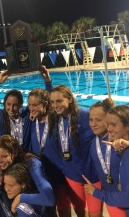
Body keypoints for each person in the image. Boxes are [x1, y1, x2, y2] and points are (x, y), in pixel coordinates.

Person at [44, 84, 102, 217]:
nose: (55, 105)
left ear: (70, 99)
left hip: (92, 175)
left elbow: (107, 125)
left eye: (59, 101)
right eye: (52, 102)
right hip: (71, 176)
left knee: (95, 214)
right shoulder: (55, 120)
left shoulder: (86, 116)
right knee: (80, 213)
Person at [0, 66, 52, 149]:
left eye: (15, 105)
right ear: (4, 104)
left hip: (27, 158)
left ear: (21, 105)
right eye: (8, 104)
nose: (11, 108)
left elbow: (46, 100)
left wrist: (47, 81)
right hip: (6, 159)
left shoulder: (27, 114)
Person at [0, 135, 56, 216]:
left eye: (4, 156)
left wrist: (21, 198)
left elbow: (49, 199)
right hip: (20, 206)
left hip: (40, 208)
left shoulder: (33, 164)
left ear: (15, 153)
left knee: (22, 208)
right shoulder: (4, 164)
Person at [27, 87, 55, 156]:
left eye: (34, 105)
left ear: (45, 104)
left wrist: (48, 82)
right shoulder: (30, 121)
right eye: (29, 105)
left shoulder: (55, 122)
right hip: (37, 163)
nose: (31, 109)